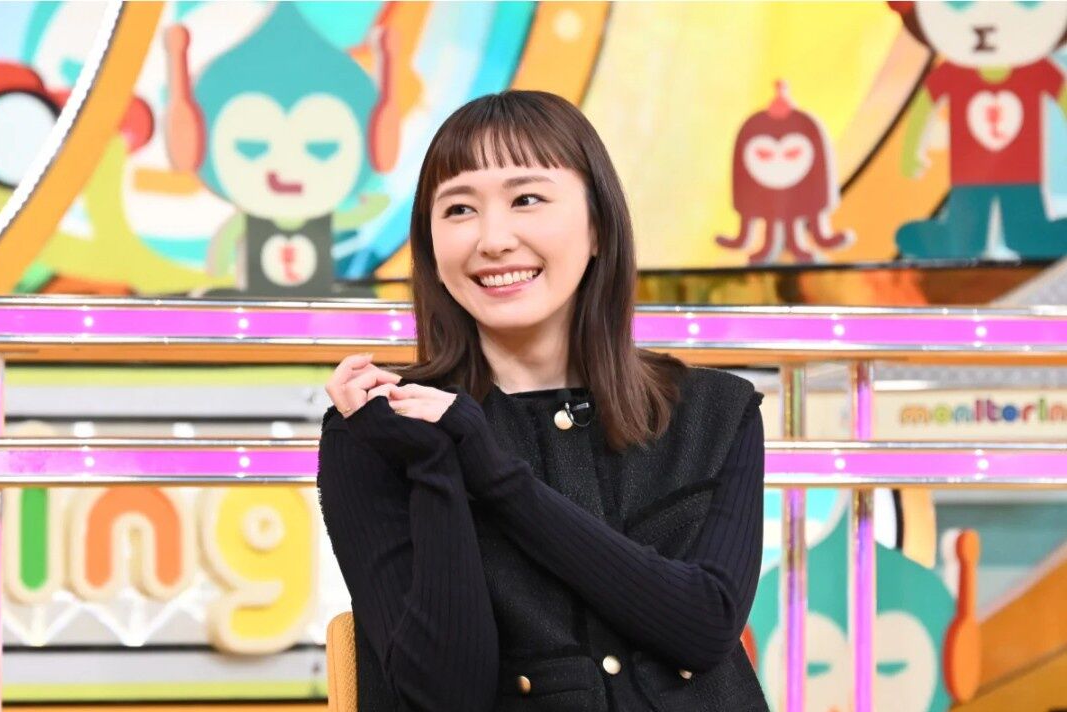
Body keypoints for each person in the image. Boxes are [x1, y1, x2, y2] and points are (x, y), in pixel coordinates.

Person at [317, 90, 768, 711]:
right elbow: (442, 696)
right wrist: (435, 463)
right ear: (431, 247)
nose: (493, 239)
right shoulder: (378, 428)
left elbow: (704, 628)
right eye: (459, 209)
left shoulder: (714, 412)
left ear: (598, 226)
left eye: (526, 199)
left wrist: (496, 478)